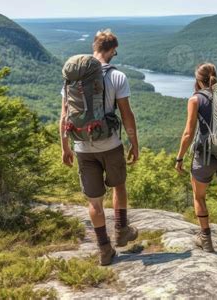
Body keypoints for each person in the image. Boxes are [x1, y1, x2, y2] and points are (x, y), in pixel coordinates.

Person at [60, 29, 139, 266]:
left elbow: (64, 116)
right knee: (119, 186)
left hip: (82, 146)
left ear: (95, 47)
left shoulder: (73, 78)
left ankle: (105, 249)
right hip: (111, 145)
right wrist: (134, 143)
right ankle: (121, 231)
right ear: (112, 50)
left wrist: (65, 148)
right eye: (115, 51)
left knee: (94, 202)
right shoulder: (117, 77)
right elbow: (127, 115)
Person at [175, 63, 217, 266]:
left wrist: (179, 157)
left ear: (198, 80)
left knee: (199, 196)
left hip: (205, 156)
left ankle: (205, 238)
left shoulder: (196, 99)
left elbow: (188, 133)